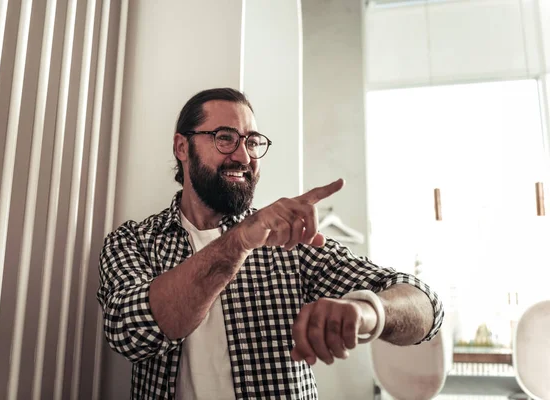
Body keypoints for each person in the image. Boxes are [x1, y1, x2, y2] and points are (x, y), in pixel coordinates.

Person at [97, 88, 444, 400]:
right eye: (224, 138)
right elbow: (130, 333)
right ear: (181, 147)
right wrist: (239, 242)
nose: (244, 157)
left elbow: (427, 307)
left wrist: (369, 312)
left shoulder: (289, 244)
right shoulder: (134, 242)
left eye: (251, 142)